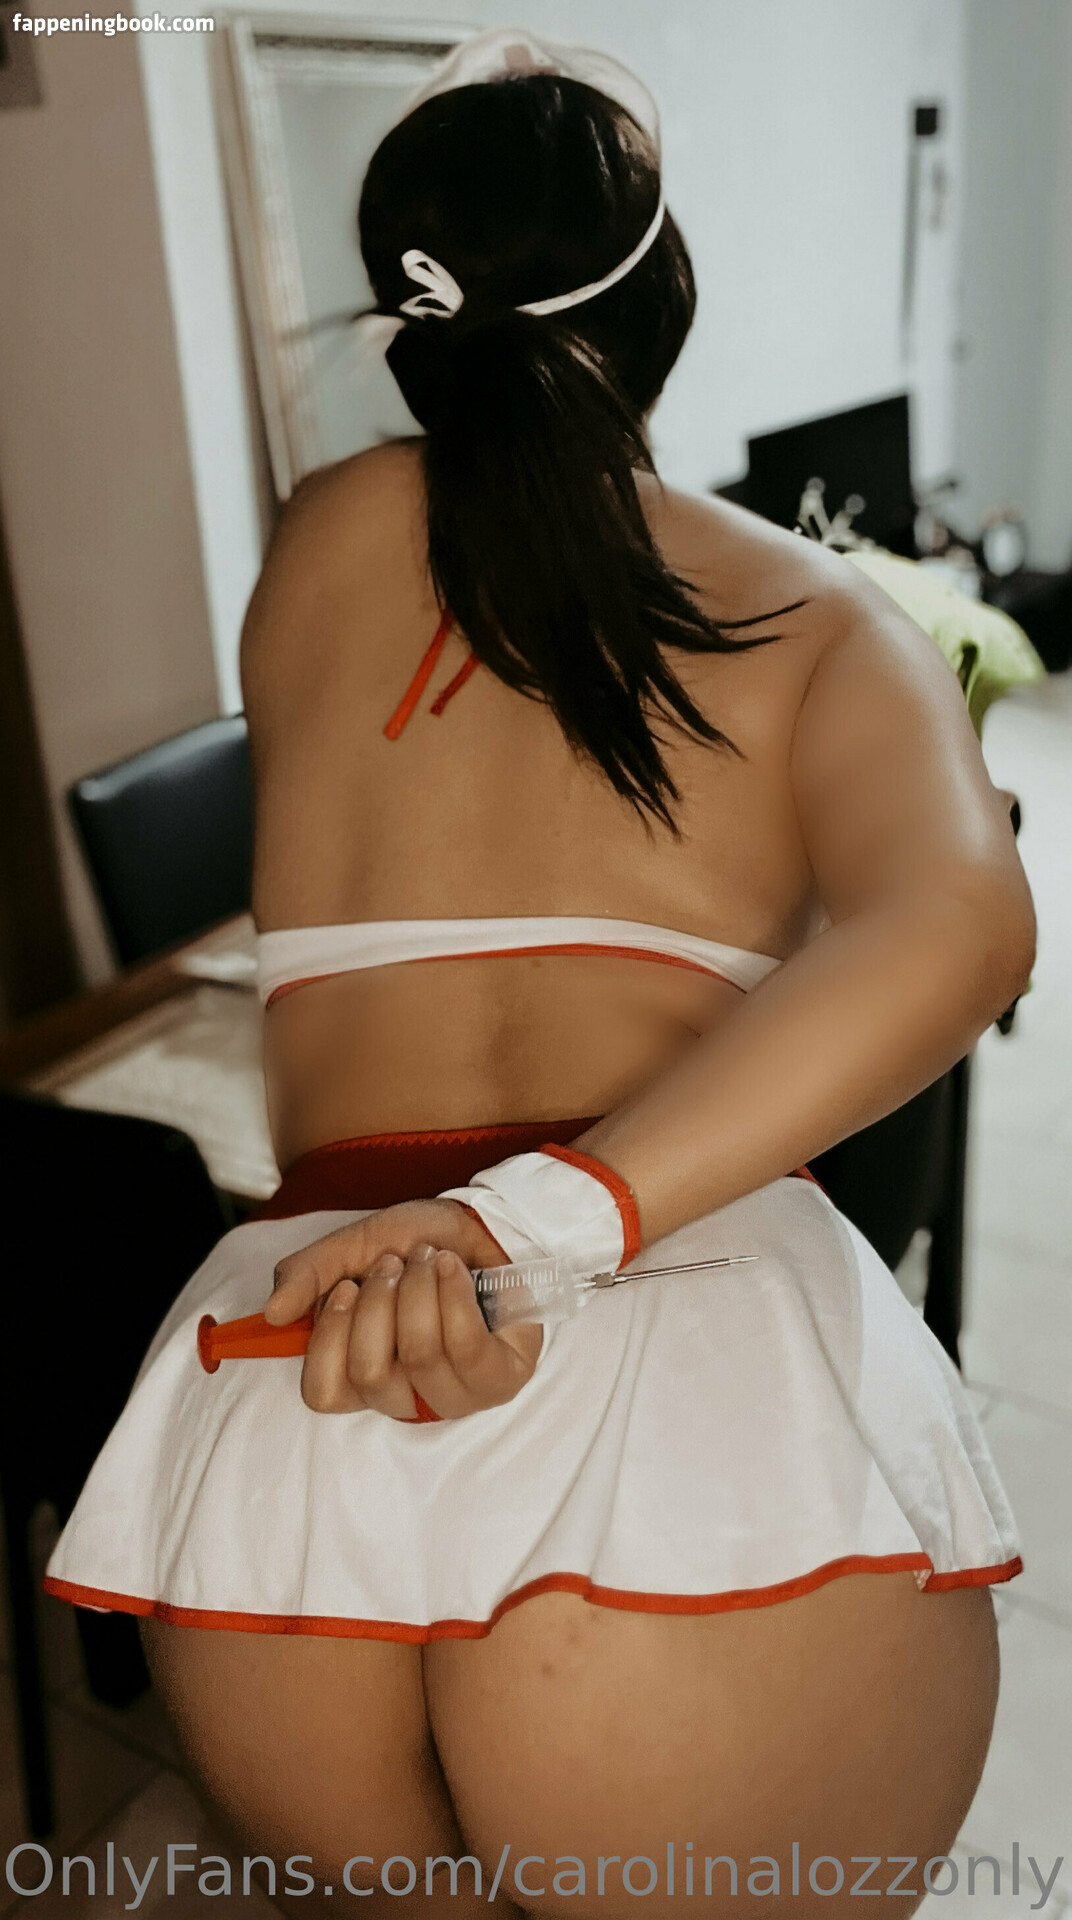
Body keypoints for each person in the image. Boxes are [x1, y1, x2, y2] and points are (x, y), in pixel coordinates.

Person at [47, 30, 1035, 1919]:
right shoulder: (824, 614)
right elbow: (964, 927)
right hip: (663, 1378)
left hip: (296, 1382)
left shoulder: (315, 544)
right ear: (668, 301)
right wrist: (540, 1225)